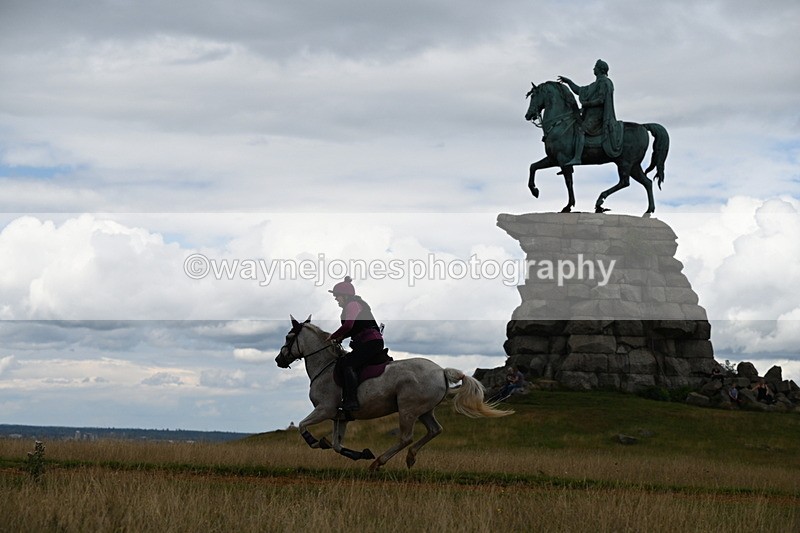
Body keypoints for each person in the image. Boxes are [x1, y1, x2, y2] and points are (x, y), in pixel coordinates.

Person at [326, 276, 387, 412]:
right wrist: (341, 337)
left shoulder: (352, 304)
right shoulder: (352, 305)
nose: (336, 299)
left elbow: (348, 325)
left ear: (345, 296)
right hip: (370, 342)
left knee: (347, 363)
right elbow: (353, 328)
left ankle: (351, 401)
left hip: (370, 342)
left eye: (337, 296)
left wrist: (334, 336)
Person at [557, 59, 624, 165]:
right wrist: (568, 82)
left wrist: (587, 104)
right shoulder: (595, 84)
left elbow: (601, 100)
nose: (593, 69)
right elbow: (579, 90)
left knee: (580, 130)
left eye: (595, 67)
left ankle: (577, 158)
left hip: (598, 116)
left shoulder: (605, 82)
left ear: (600, 69)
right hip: (590, 115)